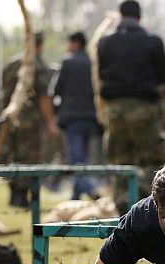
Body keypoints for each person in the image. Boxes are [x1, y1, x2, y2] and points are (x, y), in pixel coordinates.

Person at [97, 0, 165, 213]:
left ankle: (123, 209)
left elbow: (102, 74)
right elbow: (163, 76)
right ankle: (146, 204)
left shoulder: (104, 43)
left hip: (113, 111)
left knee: (120, 161)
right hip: (143, 108)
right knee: (153, 158)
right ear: (140, 17)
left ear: (120, 16)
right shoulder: (152, 41)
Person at [0, 31, 59, 207]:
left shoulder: (11, 63)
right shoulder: (37, 64)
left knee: (14, 155)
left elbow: (4, 92)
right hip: (31, 122)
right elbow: (43, 97)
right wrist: (50, 123)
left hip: (11, 119)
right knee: (30, 158)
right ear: (40, 45)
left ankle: (14, 194)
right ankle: (21, 196)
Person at [50, 31, 101, 200]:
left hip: (72, 118)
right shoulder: (92, 63)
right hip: (90, 118)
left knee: (75, 160)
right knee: (82, 158)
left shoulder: (68, 62)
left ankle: (89, 188)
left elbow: (56, 89)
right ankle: (75, 198)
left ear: (76, 43)